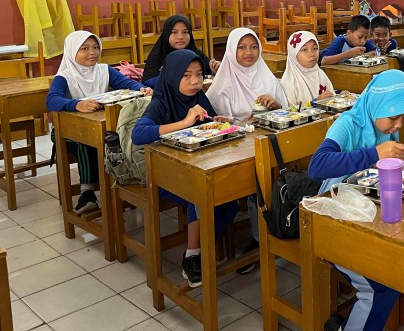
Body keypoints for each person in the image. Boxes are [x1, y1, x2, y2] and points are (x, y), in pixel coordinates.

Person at [308, 71, 404, 331]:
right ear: (377, 106)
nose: (398, 126)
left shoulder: (388, 130)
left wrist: (402, 155)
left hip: (371, 213)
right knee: (382, 285)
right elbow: (318, 165)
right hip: (337, 220)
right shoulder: (349, 123)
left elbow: (379, 164)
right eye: (394, 117)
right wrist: (374, 153)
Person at [132, 49, 240, 288]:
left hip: (197, 168)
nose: (195, 82)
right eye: (187, 76)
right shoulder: (160, 102)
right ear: (172, 76)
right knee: (199, 194)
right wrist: (183, 123)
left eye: (200, 75)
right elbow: (138, 134)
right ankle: (192, 255)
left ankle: (204, 243)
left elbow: (207, 124)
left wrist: (217, 122)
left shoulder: (199, 97)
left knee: (228, 193)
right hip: (164, 175)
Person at [206, 28, 287, 274]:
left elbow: (288, 110)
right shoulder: (222, 86)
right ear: (231, 50)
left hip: (271, 141)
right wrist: (244, 122)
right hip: (237, 149)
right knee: (256, 178)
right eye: (242, 47)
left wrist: (276, 105)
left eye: (253, 46)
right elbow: (218, 126)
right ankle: (257, 238)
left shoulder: (267, 76)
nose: (249, 52)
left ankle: (284, 223)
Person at [46, 30, 152, 214]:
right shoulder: (64, 76)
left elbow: (126, 83)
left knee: (119, 135)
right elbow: (51, 100)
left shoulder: (104, 70)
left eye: (95, 47)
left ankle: (124, 181)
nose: (92, 52)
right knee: (85, 141)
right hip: (67, 131)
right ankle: (87, 193)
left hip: (98, 127)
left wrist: (141, 89)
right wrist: (77, 104)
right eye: (84, 48)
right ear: (72, 52)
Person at [142, 14, 219, 87]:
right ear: (166, 34)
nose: (180, 37)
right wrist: (171, 78)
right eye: (174, 32)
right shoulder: (158, 54)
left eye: (185, 32)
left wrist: (214, 70)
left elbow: (207, 72)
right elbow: (147, 81)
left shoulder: (194, 53)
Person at [281, 30, 335, 109]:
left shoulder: (320, 73)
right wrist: (315, 102)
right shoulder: (288, 82)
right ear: (294, 54)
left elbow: (331, 96)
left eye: (315, 48)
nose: (312, 54)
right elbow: (290, 112)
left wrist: (339, 96)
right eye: (304, 50)